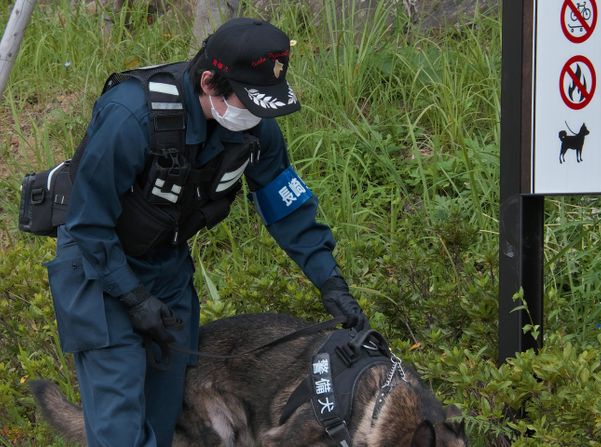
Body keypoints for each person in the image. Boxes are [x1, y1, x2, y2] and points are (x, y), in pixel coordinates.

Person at [44, 17, 368, 447]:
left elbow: (288, 208)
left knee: (163, 423)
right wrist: (134, 298)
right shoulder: (130, 117)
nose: (255, 117)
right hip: (97, 268)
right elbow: (87, 223)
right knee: (121, 428)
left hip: (166, 272)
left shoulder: (255, 130)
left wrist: (331, 283)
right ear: (211, 81)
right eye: (248, 102)